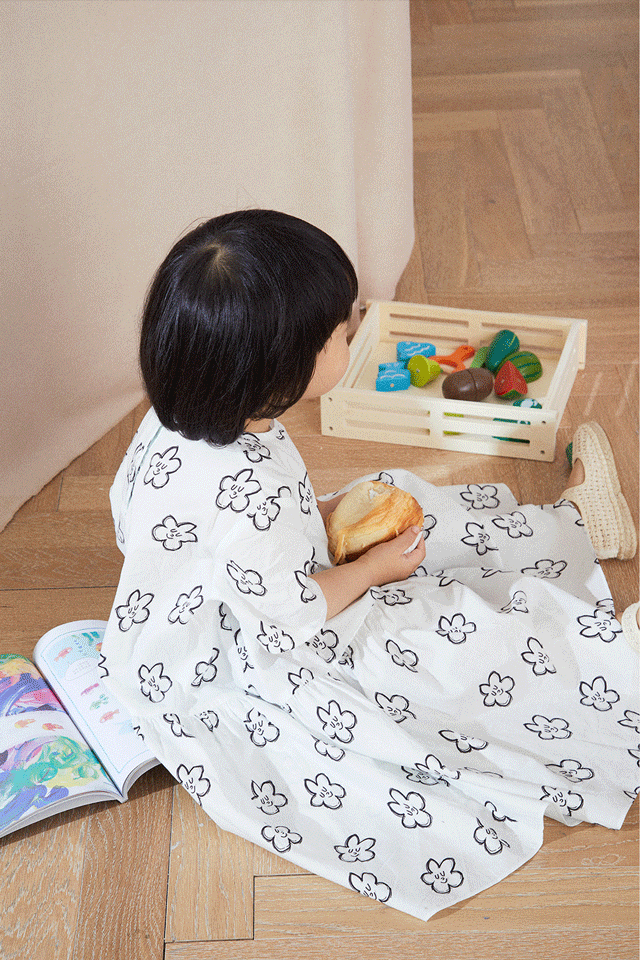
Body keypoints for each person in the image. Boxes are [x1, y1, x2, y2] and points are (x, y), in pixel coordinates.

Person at [102, 210, 639, 924]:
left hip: (232, 599)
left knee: (402, 505)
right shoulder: (252, 496)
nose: (351, 332)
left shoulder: (176, 418)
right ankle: (615, 665)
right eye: (339, 333)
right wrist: (373, 570)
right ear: (281, 368)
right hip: (270, 647)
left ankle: (578, 529)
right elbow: (294, 612)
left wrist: (312, 521)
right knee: (441, 631)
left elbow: (142, 524)